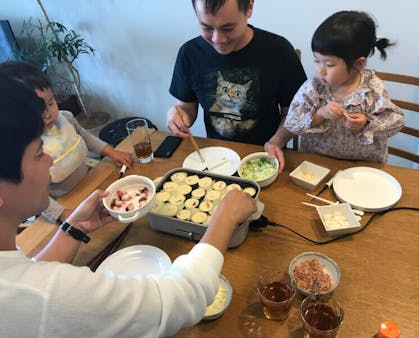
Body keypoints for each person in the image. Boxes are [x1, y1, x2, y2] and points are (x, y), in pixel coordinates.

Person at [0, 75, 257, 337]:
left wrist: (73, 227)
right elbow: (177, 302)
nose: (50, 162)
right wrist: (224, 217)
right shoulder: (42, 296)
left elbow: (32, 273)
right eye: (38, 154)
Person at [265, 11, 405, 172]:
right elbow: (292, 123)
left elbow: (395, 121)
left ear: (358, 64)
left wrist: (366, 122)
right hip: (315, 165)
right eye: (317, 61)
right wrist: (320, 114)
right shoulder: (314, 88)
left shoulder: (372, 88)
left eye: (329, 64)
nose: (320, 71)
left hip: (363, 167)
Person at [0, 61, 133, 224]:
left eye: (51, 103)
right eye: (38, 111)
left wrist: (111, 152)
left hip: (89, 184)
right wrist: (61, 214)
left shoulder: (65, 119)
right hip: (61, 204)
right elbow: (32, 194)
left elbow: (84, 135)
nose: (48, 114)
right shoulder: (24, 150)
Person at [167, 0, 307, 145]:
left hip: (265, 154)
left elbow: (292, 113)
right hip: (216, 155)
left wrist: (276, 142)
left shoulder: (278, 50)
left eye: (228, 28)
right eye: (206, 27)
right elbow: (186, 108)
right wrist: (178, 115)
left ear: (249, 8)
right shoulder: (190, 53)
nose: (217, 39)